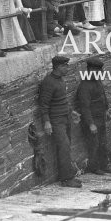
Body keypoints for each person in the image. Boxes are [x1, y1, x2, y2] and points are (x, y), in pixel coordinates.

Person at [39, 55, 82, 188]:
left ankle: (67, 175)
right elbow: (44, 104)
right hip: (56, 121)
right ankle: (66, 179)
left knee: (66, 146)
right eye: (65, 66)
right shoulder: (49, 82)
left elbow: (62, 100)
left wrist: (71, 112)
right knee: (64, 146)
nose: (68, 68)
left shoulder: (61, 80)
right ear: (58, 67)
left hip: (65, 118)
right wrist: (47, 122)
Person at [75, 57, 111, 175]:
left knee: (103, 142)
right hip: (92, 120)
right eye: (97, 71)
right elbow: (84, 107)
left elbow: (103, 95)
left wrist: (106, 109)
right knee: (94, 144)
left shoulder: (97, 81)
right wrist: (91, 124)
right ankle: (94, 167)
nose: (100, 74)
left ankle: (104, 165)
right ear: (90, 70)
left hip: (100, 117)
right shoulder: (84, 86)